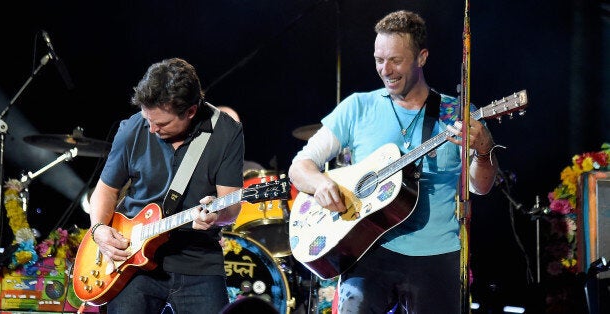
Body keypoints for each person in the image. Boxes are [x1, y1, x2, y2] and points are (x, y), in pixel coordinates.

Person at [288, 10, 499, 313]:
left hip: (437, 254)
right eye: (379, 60)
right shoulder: (357, 107)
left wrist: (483, 149)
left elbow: (480, 187)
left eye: (396, 60)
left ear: (421, 58)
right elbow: (301, 164)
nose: (385, 70)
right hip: (367, 251)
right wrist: (321, 184)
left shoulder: (456, 115)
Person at [88, 57, 244, 313]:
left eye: (161, 123)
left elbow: (231, 206)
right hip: (132, 261)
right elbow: (105, 190)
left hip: (199, 261)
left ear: (191, 111)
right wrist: (98, 230)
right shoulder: (133, 128)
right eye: (147, 119)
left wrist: (217, 215)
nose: (151, 129)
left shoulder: (226, 132)